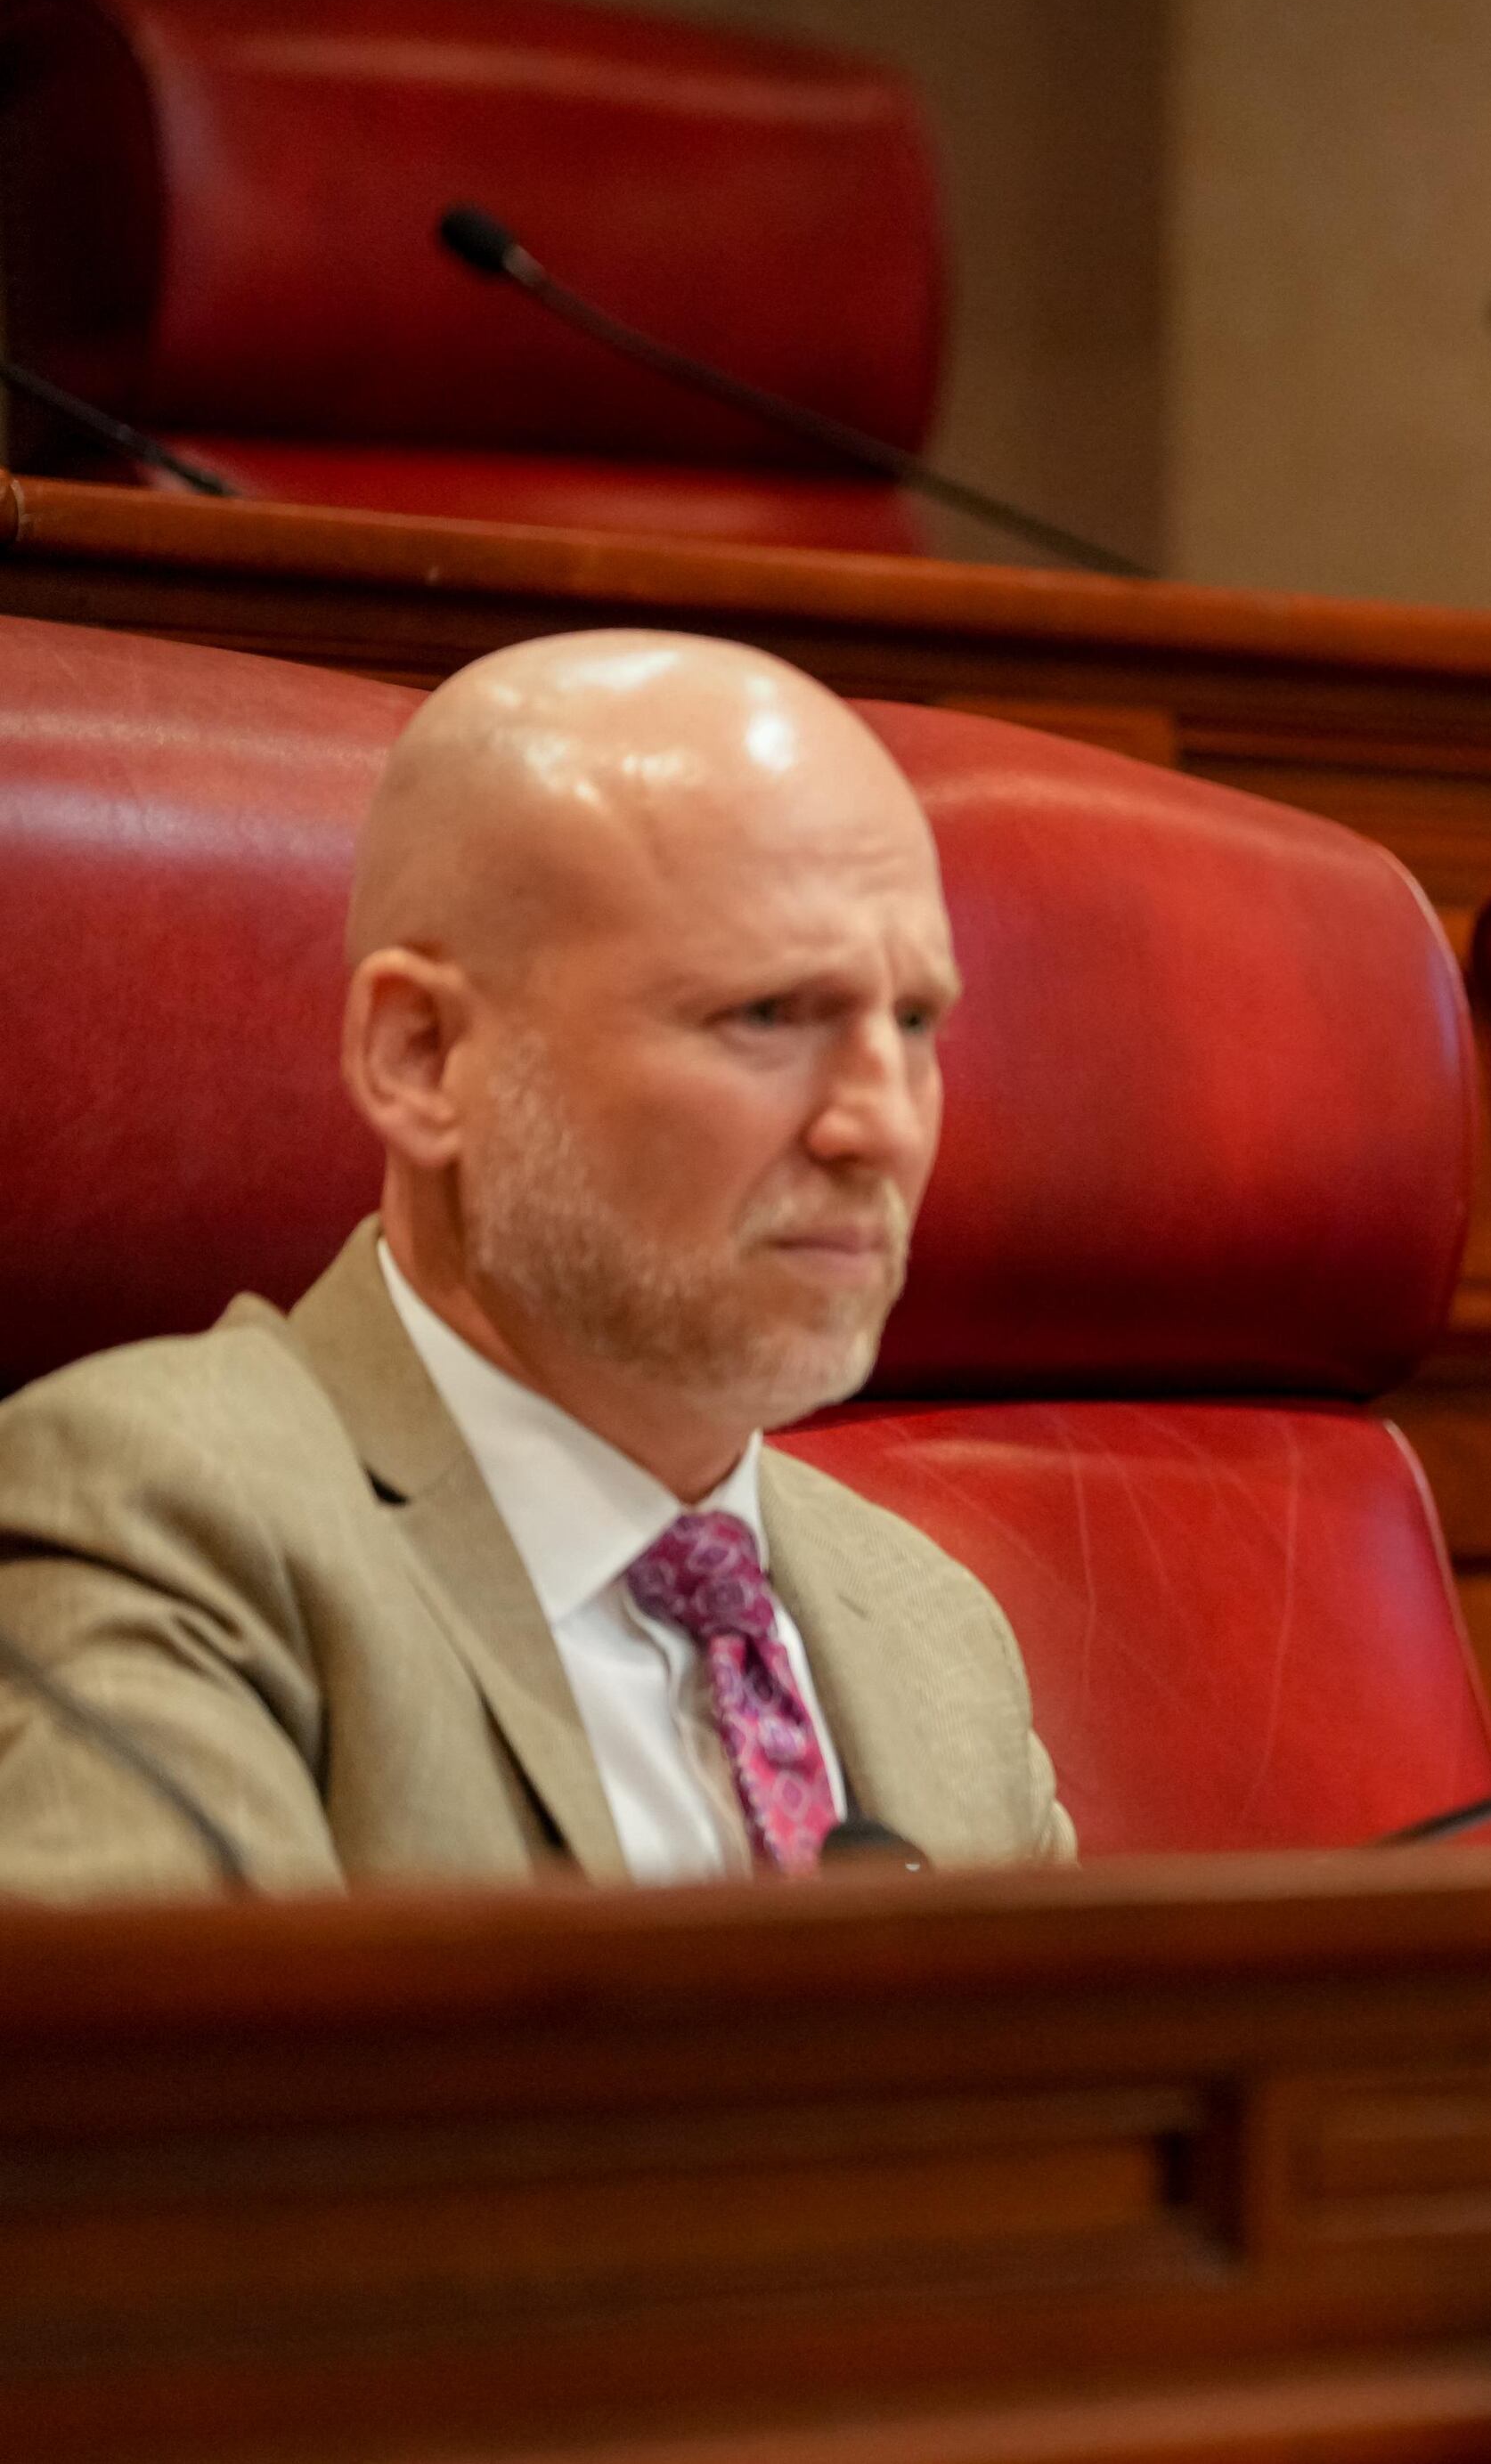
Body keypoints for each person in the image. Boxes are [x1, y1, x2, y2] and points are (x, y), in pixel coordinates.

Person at [0, 630, 1071, 1899]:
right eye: (767, 1015)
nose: (882, 1125)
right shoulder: (155, 1517)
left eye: (913, 1022)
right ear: (424, 1056)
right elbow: (190, 2096)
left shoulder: (935, 1632)